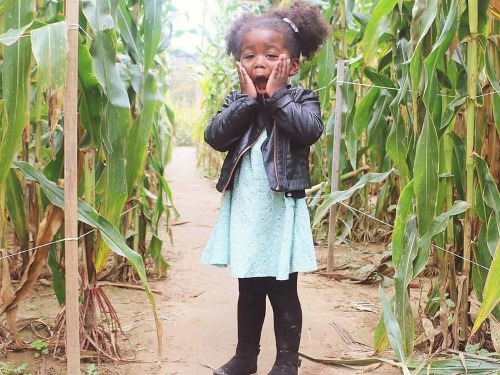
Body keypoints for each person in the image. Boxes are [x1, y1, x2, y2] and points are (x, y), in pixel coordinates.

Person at [201, 2, 330, 374]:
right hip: (246, 213)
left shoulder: (301, 100)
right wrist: (247, 101)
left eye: (271, 55)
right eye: (250, 55)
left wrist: (274, 98)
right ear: (239, 64)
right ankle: (245, 358)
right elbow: (216, 136)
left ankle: (287, 361)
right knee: (249, 288)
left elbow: (309, 130)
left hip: (280, 212)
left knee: (283, 290)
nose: (259, 63)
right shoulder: (237, 104)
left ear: (292, 65)